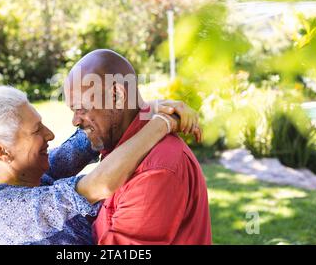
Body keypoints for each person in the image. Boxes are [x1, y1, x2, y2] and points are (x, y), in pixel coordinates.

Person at [0, 85, 199, 244]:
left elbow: (93, 135)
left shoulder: (41, 176)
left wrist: (155, 107)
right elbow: (100, 185)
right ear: (2, 151)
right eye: (36, 130)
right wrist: (161, 123)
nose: (50, 135)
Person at [65, 49, 212, 245]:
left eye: (80, 108)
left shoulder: (156, 171)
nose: (75, 121)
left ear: (116, 95)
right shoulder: (119, 146)